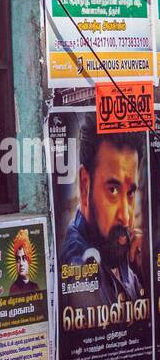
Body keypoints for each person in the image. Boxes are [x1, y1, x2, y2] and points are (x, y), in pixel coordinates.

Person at [59, 117, 145, 305]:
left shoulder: (113, 247)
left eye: (130, 193)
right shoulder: (79, 263)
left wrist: (139, 270)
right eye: (113, 190)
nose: (126, 216)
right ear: (84, 186)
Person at [8, 228, 40, 295]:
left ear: (29, 260)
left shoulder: (35, 287)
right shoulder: (13, 289)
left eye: (24, 258)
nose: (21, 263)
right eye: (18, 259)